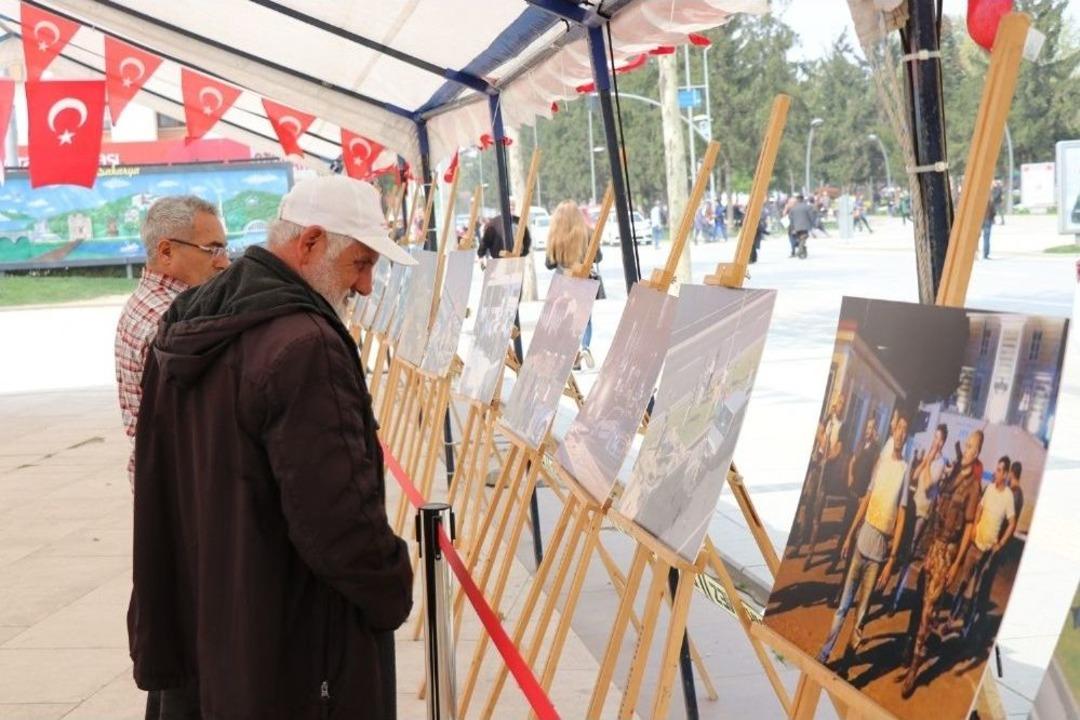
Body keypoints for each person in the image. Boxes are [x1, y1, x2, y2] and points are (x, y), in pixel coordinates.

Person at [129, 176, 416, 720]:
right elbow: (337, 520)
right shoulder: (304, 344)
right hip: (294, 650)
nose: (365, 287)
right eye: (360, 264)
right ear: (308, 242)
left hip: (213, 624)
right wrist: (392, 584)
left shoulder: (184, 321)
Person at [115, 196, 230, 492]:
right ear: (166, 251)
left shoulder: (152, 303)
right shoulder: (171, 321)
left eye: (225, 249)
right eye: (212, 250)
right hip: (182, 484)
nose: (224, 262)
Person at [818, 415, 910, 666]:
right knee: (843, 607)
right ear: (893, 429)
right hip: (861, 543)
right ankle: (824, 653)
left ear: (907, 435)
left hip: (878, 555)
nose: (901, 433)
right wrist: (849, 536)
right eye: (898, 428)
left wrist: (891, 561)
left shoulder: (904, 470)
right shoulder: (881, 463)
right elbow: (866, 499)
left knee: (861, 616)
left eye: (905, 430)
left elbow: (901, 517)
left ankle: (846, 661)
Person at [900, 430, 985, 699]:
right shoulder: (950, 475)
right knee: (920, 603)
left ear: (977, 452)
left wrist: (956, 564)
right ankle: (914, 646)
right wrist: (927, 549)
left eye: (971, 446)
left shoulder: (973, 486)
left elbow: (970, 527)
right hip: (934, 546)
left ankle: (915, 669)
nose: (967, 448)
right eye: (967, 444)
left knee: (927, 611)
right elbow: (936, 505)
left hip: (948, 552)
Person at [950, 456, 1017, 639]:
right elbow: (979, 507)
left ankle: (965, 624)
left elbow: (1012, 523)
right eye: (997, 469)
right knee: (963, 581)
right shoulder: (988, 489)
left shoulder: (1008, 496)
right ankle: (951, 616)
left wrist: (1001, 543)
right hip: (975, 544)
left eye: (1001, 470)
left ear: (1006, 474)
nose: (997, 473)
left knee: (976, 588)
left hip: (988, 550)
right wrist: (974, 527)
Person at [892, 424, 949, 610]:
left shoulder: (941, 462)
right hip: (913, 506)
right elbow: (916, 476)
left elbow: (926, 486)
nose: (936, 442)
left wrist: (929, 461)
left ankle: (897, 594)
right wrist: (925, 462)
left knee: (910, 551)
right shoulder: (929, 458)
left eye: (940, 439)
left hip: (923, 512)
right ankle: (893, 584)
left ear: (944, 442)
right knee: (902, 545)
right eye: (935, 437)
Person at [545, 200, 601, 370]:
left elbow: (549, 264)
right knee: (585, 319)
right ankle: (585, 348)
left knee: (566, 320)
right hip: (584, 281)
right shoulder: (588, 233)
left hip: (563, 283)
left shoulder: (555, 235)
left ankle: (571, 355)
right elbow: (598, 257)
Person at [785, 194, 814, 259]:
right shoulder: (808, 207)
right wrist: (812, 224)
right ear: (803, 199)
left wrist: (792, 227)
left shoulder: (793, 209)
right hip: (805, 226)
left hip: (796, 227)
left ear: (797, 200)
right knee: (803, 238)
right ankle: (800, 251)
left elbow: (790, 218)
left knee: (800, 239)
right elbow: (811, 216)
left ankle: (802, 252)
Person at [982, 194, 996, 259]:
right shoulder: (990, 200)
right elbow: (993, 211)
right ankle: (985, 254)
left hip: (982, 219)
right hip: (988, 219)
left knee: (983, 237)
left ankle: (980, 253)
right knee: (986, 237)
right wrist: (993, 218)